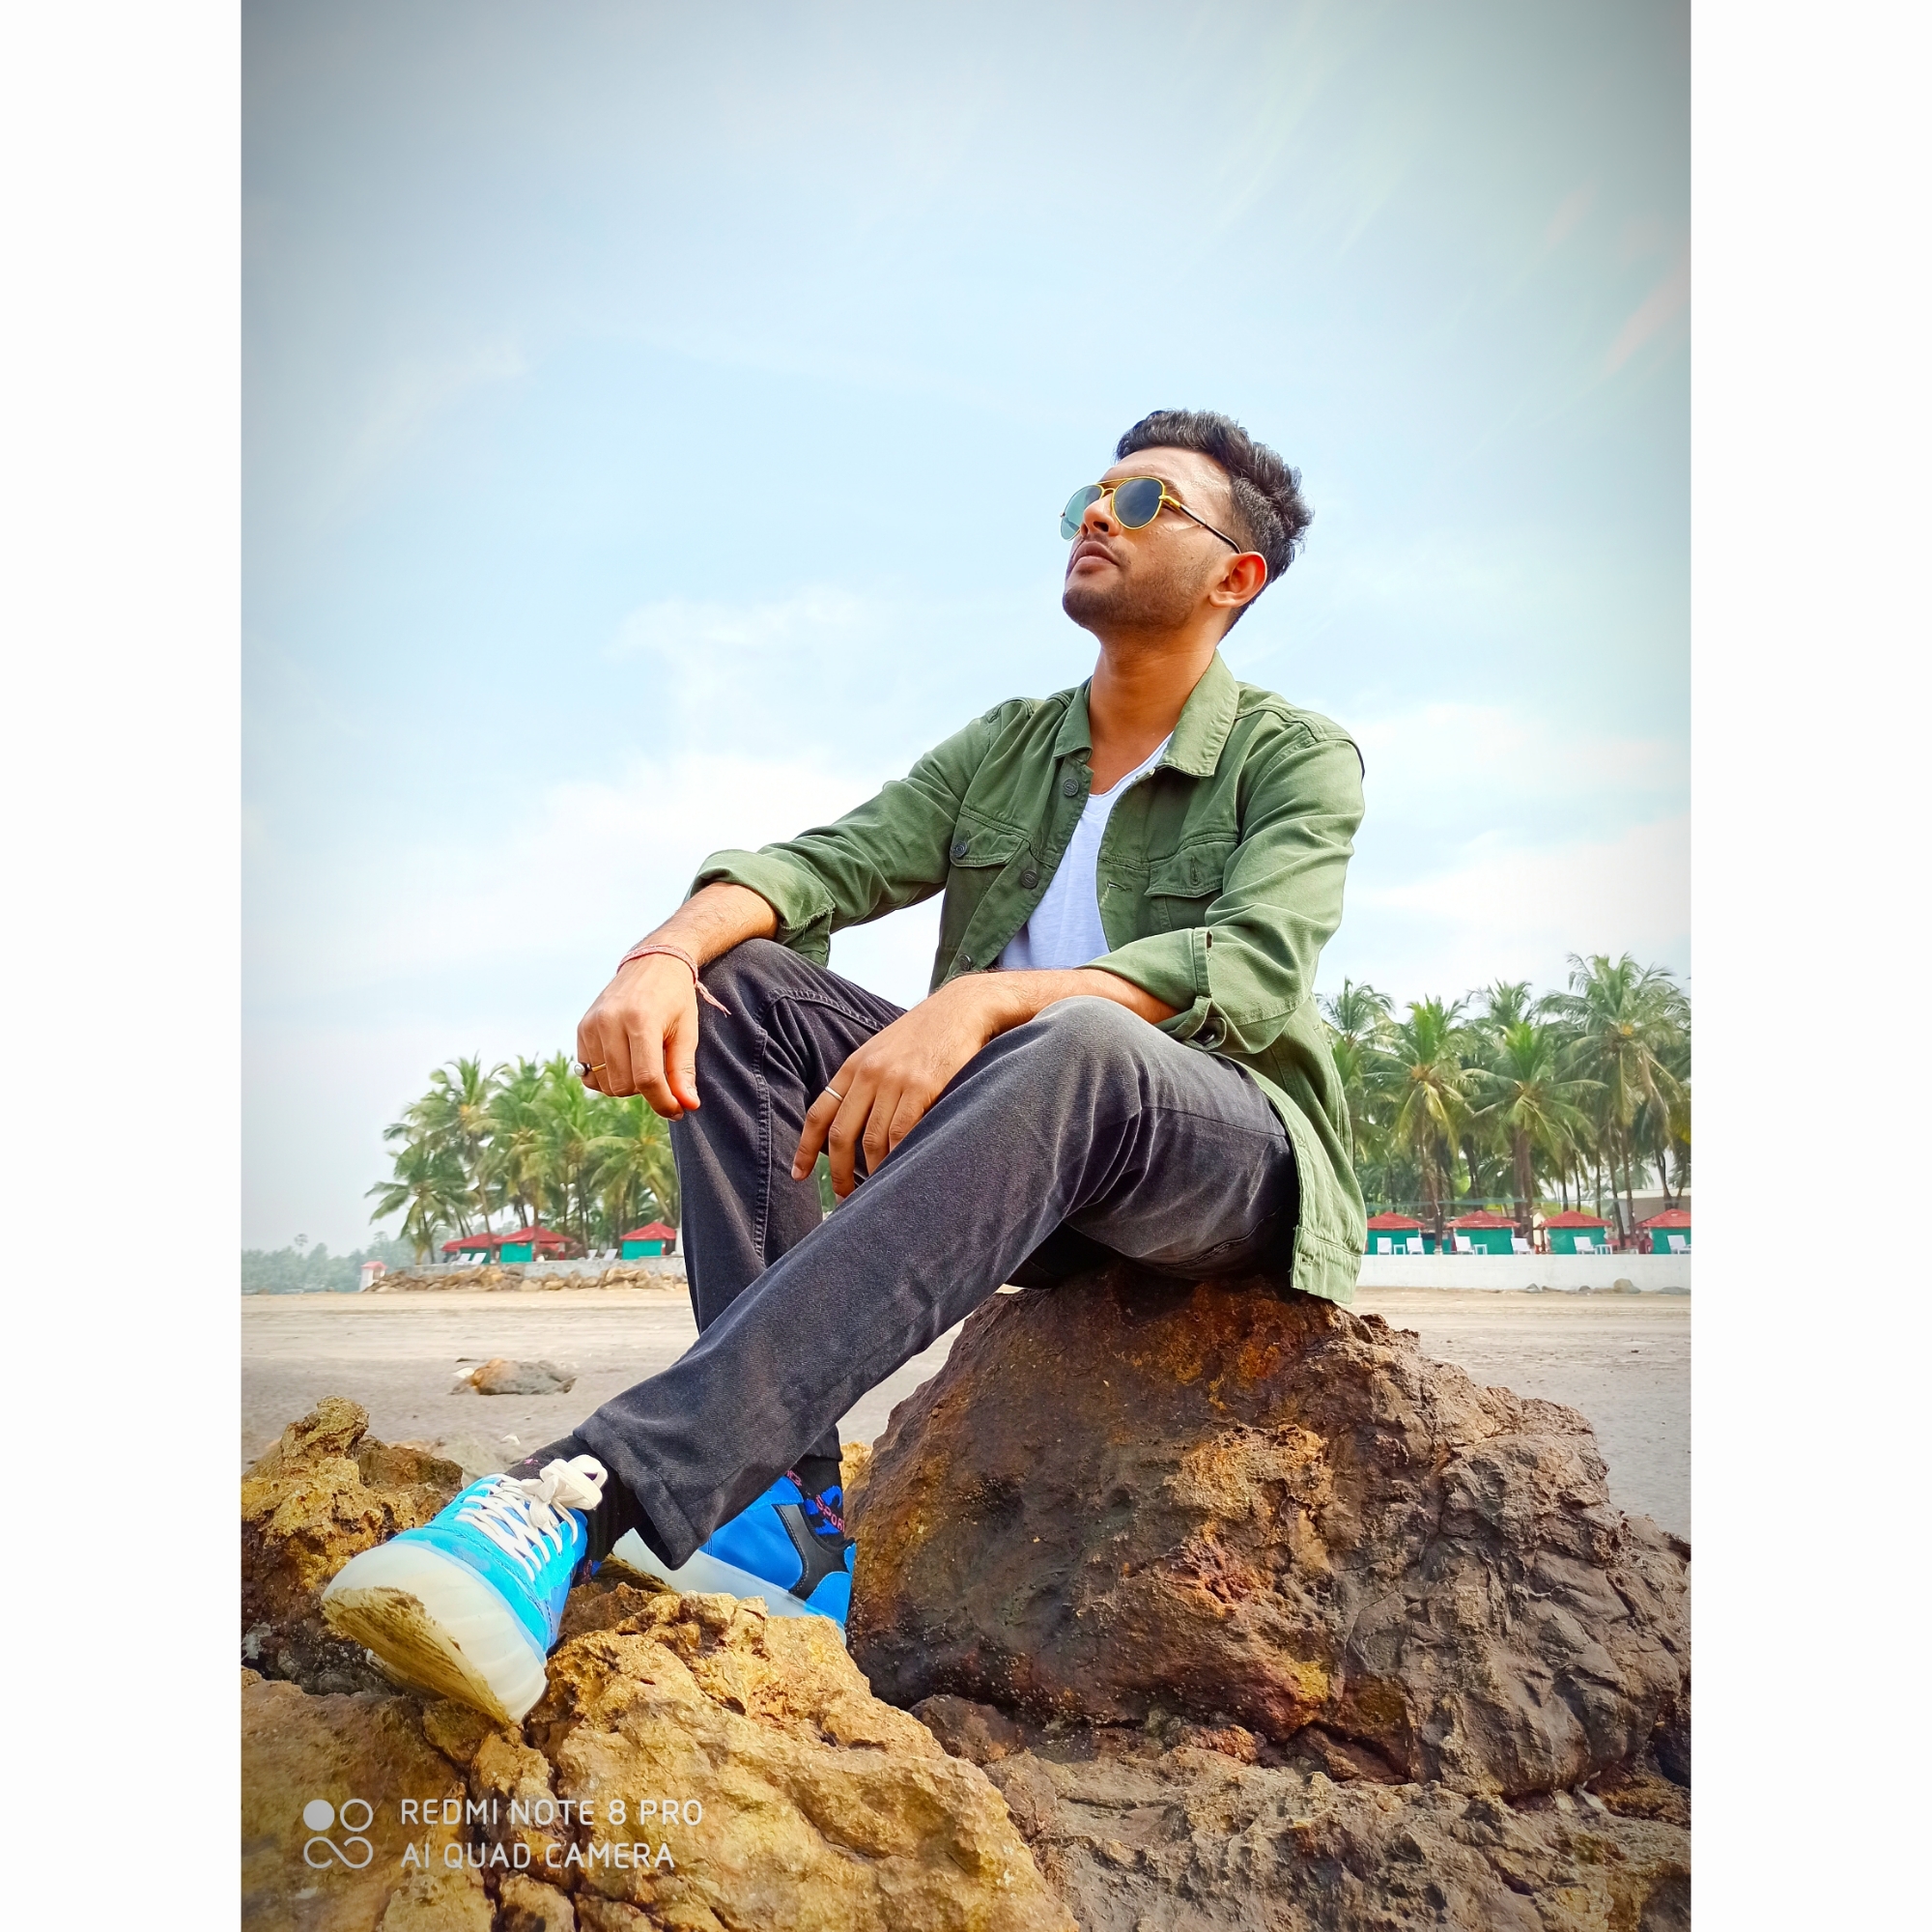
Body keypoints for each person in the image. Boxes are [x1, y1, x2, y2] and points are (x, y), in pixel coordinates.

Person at [323, 409, 1368, 1724]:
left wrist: (983, 1000)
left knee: (1079, 1040)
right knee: (742, 987)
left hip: (1217, 1164)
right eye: (1090, 498)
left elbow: (1253, 967)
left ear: (1235, 576)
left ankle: (585, 1495)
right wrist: (663, 955)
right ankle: (789, 1511)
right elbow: (824, 864)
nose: (1099, 514)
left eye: (1148, 501)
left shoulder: (1295, 755)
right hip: (1024, 1171)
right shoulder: (1009, 748)